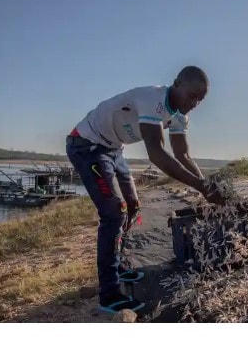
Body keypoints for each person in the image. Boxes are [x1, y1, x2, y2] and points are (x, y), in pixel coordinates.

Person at [66, 67, 221, 315]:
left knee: (133, 206)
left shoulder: (180, 115)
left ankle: (117, 266)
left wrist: (206, 187)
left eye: (200, 99)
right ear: (177, 83)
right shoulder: (154, 100)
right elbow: (157, 154)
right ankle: (109, 293)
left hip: (114, 148)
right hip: (87, 144)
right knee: (114, 212)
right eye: (191, 95)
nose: (194, 103)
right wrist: (202, 187)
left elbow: (183, 154)